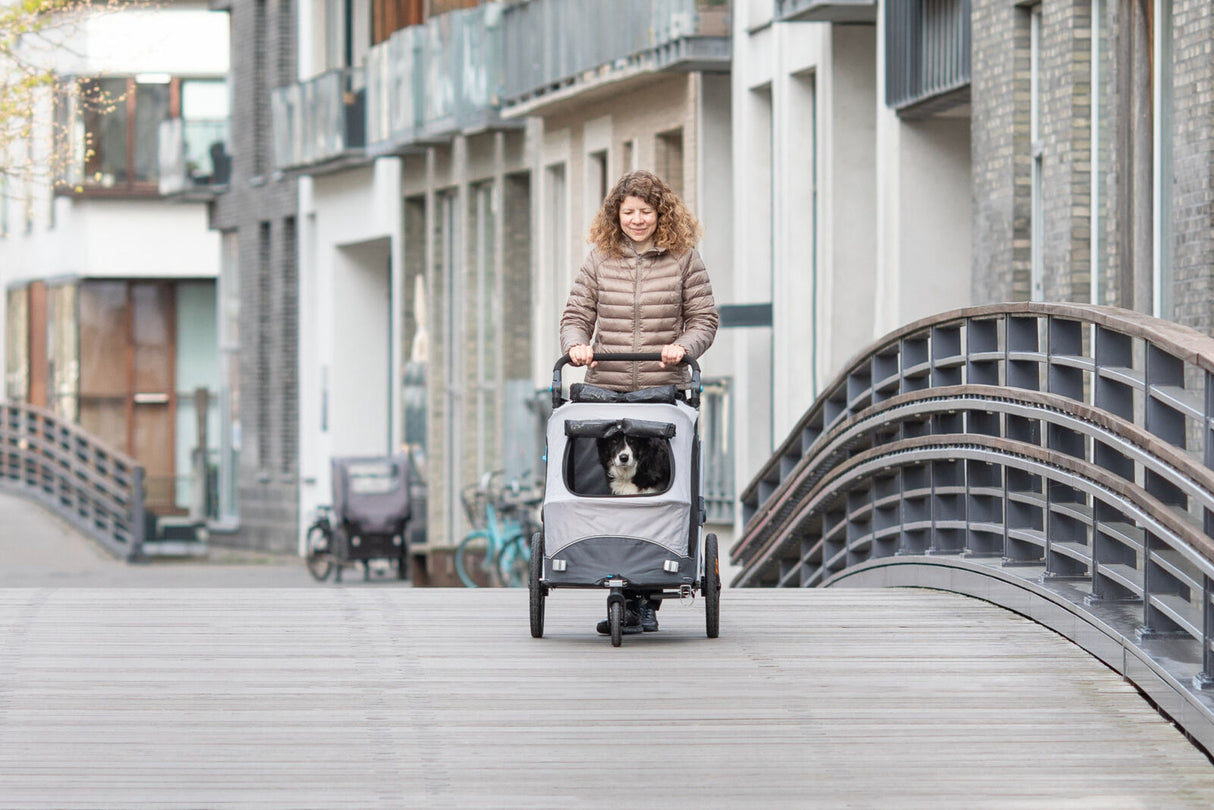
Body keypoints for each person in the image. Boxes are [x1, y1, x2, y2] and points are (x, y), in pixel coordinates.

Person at [559, 169, 720, 635]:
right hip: (605, 386)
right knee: (606, 489)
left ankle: (644, 598)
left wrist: (684, 348)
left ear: (660, 213)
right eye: (627, 212)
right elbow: (576, 314)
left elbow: (704, 318)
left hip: (661, 389)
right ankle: (609, 570)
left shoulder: (684, 259)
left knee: (659, 491)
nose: (636, 220)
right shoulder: (599, 259)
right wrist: (576, 346)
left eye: (644, 212)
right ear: (616, 215)